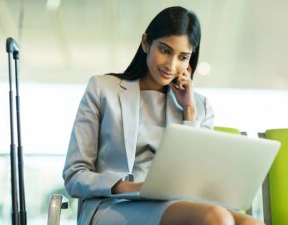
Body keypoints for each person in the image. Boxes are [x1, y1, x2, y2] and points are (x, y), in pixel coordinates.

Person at [63, 6, 265, 225]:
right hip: (114, 205)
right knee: (215, 218)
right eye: (165, 50)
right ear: (146, 42)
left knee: (251, 223)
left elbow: (195, 179)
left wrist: (189, 112)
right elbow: (75, 174)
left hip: (178, 204)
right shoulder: (102, 89)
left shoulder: (199, 106)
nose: (171, 65)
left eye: (183, 57)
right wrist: (127, 186)